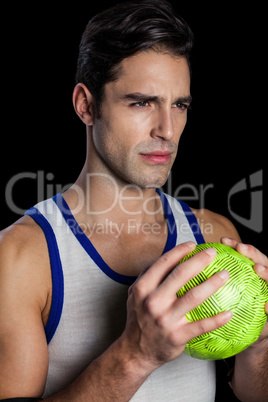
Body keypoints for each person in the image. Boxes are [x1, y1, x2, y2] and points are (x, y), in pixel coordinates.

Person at [0, 1, 267, 400]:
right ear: (86, 105)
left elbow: (253, 392)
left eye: (179, 105)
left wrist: (261, 344)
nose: (167, 129)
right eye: (142, 102)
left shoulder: (212, 235)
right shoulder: (21, 257)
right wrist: (136, 355)